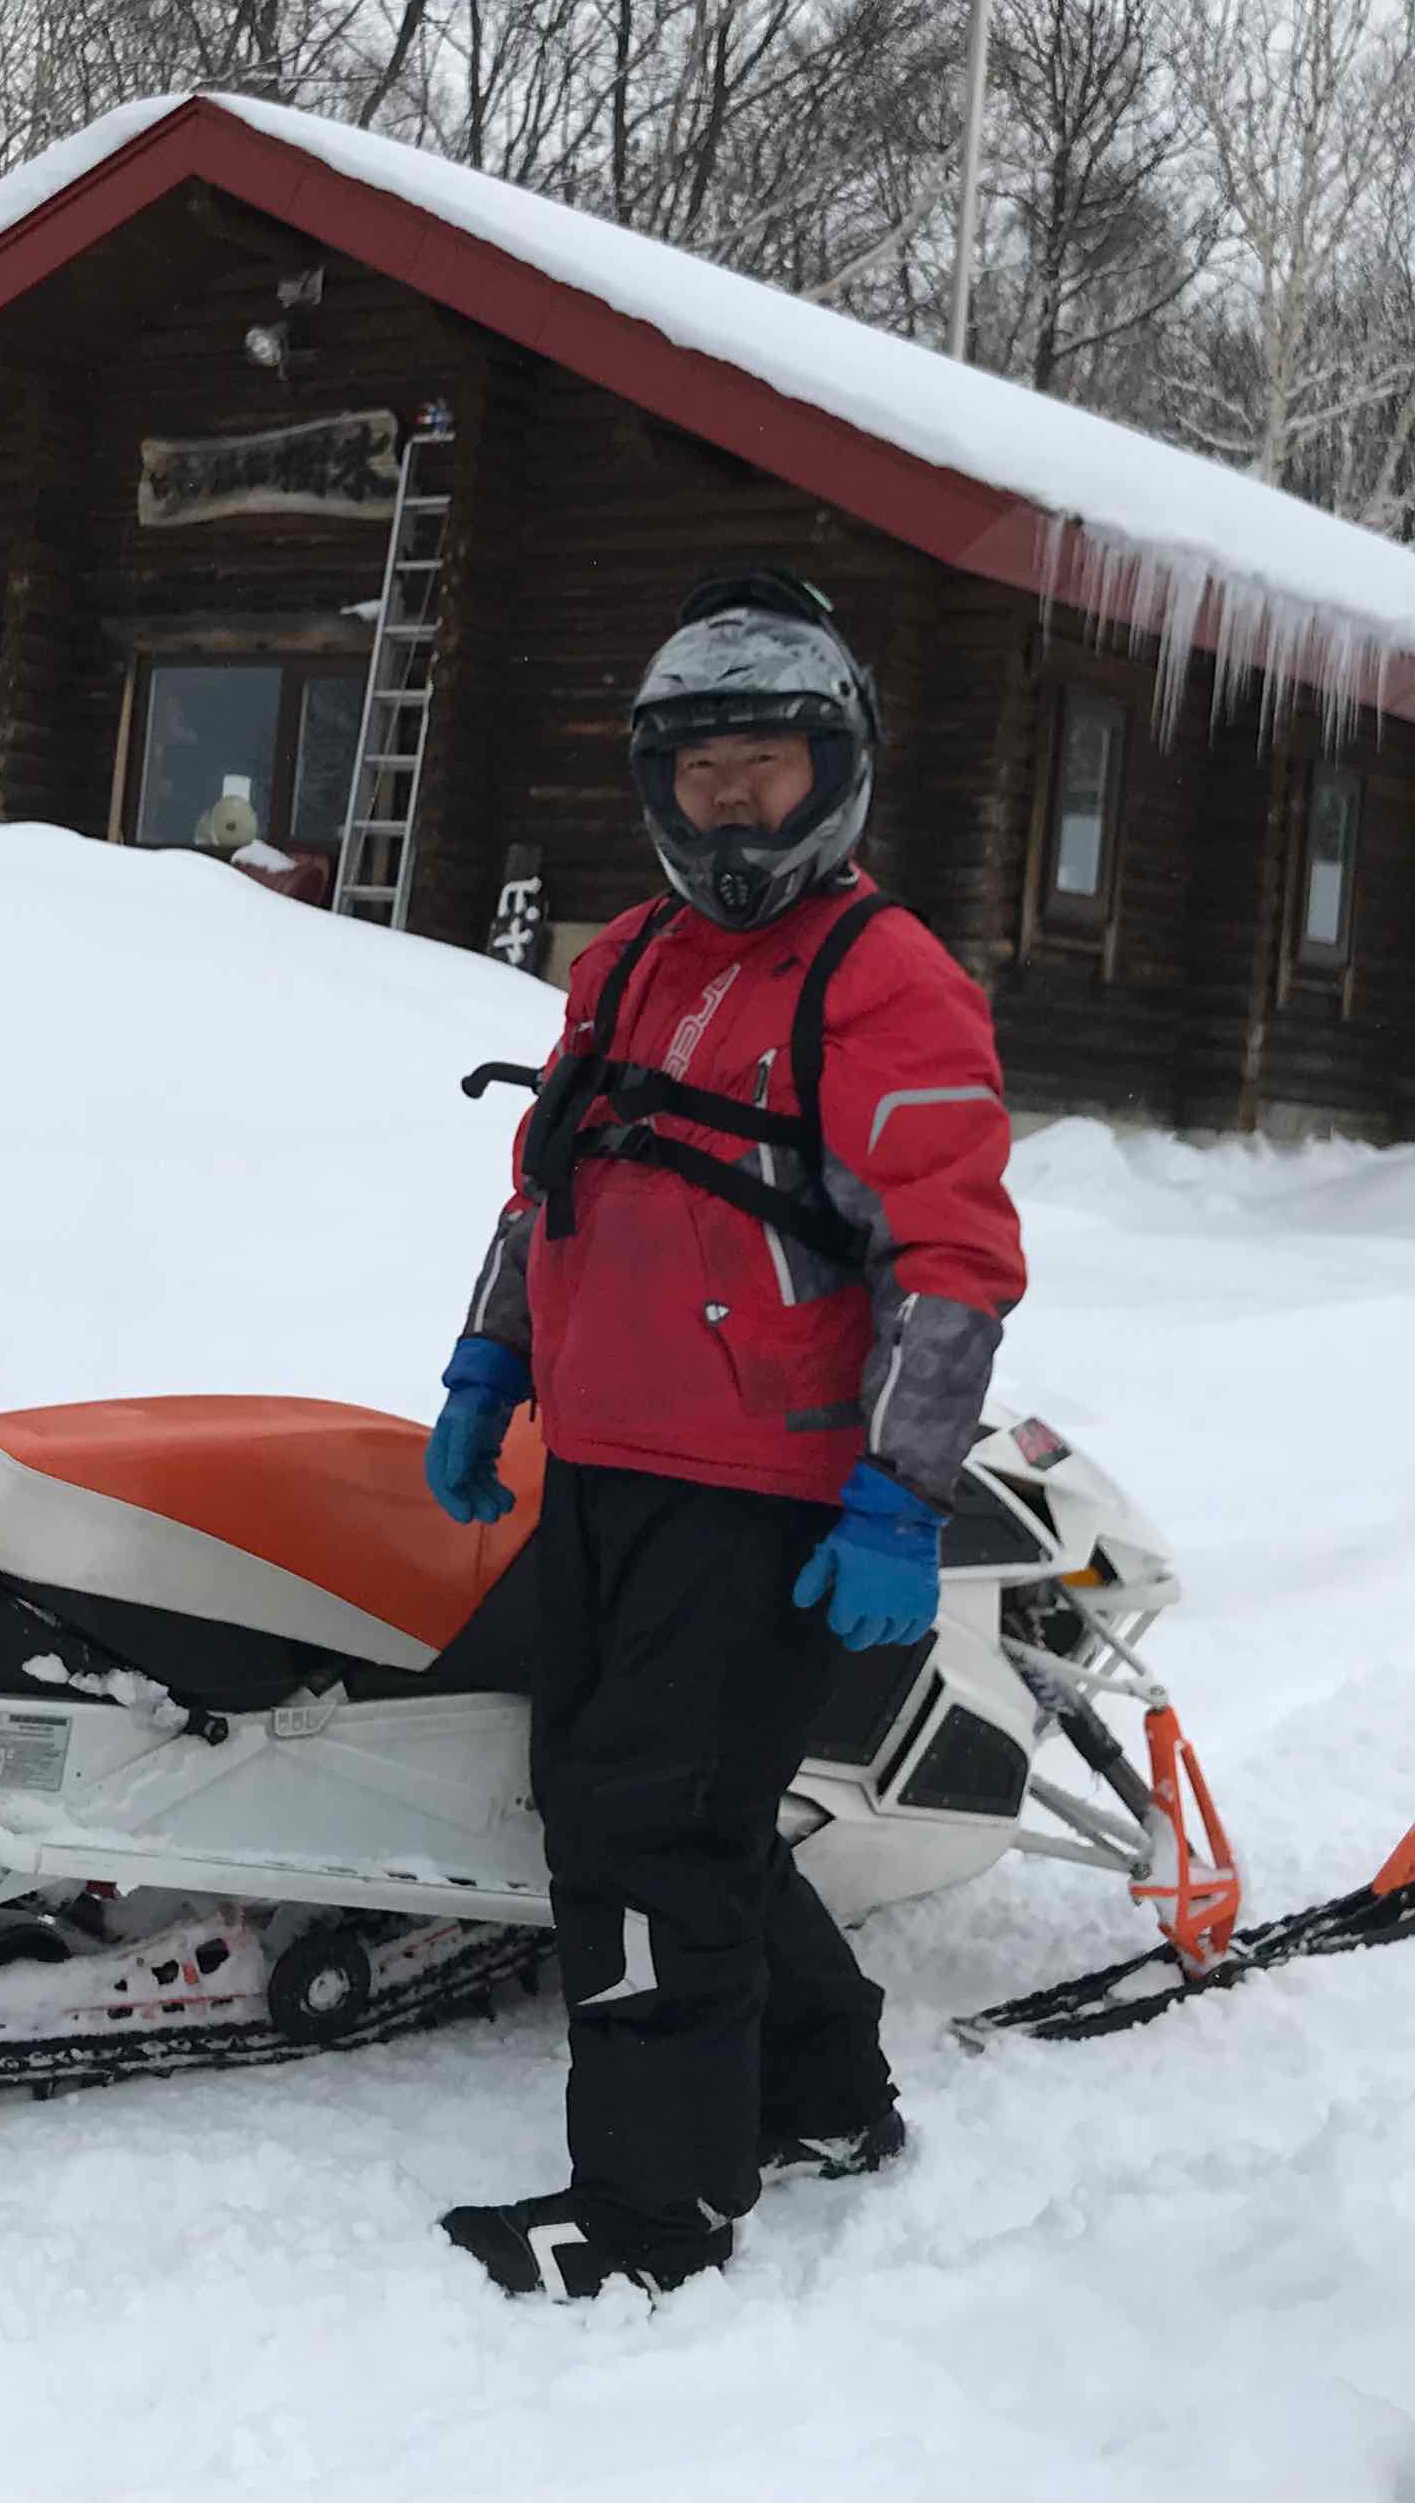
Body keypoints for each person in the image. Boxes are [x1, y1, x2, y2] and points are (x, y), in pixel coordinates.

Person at [423, 571, 1026, 2301]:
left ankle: (652, 2208)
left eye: (765, 762)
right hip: (605, 1462)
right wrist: (485, 1364)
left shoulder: (883, 977)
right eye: (701, 770)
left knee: (645, 1832)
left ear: (831, 766)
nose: (731, 799)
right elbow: (549, 1182)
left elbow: (955, 1263)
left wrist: (902, 1495)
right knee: (662, 1808)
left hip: (764, 1492)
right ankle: (824, 2095)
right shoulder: (626, 959)